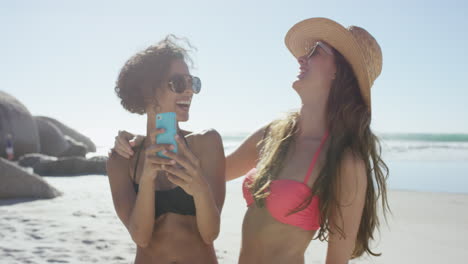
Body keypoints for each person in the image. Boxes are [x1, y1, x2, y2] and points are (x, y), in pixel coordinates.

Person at [112, 18, 390, 264]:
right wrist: (140, 142)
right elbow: (214, 170)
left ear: (338, 72)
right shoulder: (275, 134)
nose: (301, 58)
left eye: (316, 51)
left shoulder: (344, 159)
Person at [106, 36, 226, 264]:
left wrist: (199, 189)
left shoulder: (207, 143)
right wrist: (148, 179)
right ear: (148, 91)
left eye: (193, 83)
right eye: (179, 83)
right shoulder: (122, 158)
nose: (190, 91)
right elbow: (141, 237)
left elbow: (210, 234)